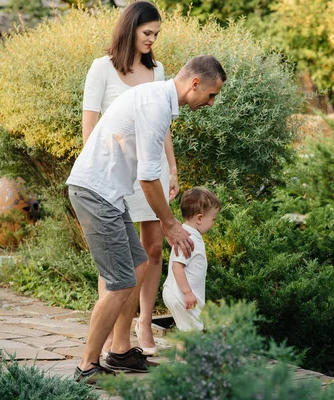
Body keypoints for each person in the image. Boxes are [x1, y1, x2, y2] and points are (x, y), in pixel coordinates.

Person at [67, 55, 227, 382]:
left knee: (139, 264)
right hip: (95, 193)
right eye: (211, 95)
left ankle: (120, 353)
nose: (211, 103)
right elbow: (148, 179)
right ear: (195, 84)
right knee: (120, 281)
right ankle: (87, 365)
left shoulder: (157, 100)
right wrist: (170, 225)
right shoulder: (155, 105)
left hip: (108, 194)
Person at [82, 1, 176, 356]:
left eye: (156, 34)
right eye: (147, 33)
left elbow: (162, 125)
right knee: (116, 253)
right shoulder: (101, 69)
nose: (152, 40)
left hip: (151, 172)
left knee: (152, 249)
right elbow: (90, 125)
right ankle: (109, 333)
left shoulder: (159, 70)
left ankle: (143, 324)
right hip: (114, 173)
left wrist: (173, 167)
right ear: (130, 29)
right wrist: (100, 169)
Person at [162, 187, 220, 331]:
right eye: (213, 219)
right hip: (181, 295)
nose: (214, 223)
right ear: (199, 218)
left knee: (188, 333)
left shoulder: (188, 235)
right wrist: (187, 293)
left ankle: (182, 354)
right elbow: (177, 266)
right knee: (193, 334)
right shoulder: (188, 238)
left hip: (180, 294)